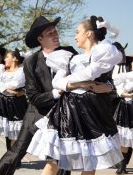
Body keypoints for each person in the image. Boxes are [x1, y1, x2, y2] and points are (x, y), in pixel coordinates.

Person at [0, 16, 113, 175]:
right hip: (37, 114)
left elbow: (89, 74)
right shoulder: (31, 62)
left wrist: (102, 85)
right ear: (40, 38)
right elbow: (33, 96)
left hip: (66, 115)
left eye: (56, 32)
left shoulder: (70, 52)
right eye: (50, 33)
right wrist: (58, 91)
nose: (56, 35)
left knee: (63, 159)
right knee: (16, 152)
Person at [26, 15, 123, 175]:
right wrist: (82, 84)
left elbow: (107, 81)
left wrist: (105, 86)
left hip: (95, 112)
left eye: (78, 32)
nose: (75, 36)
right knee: (54, 162)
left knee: (90, 163)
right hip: (69, 113)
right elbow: (57, 83)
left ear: (89, 34)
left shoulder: (102, 56)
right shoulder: (70, 58)